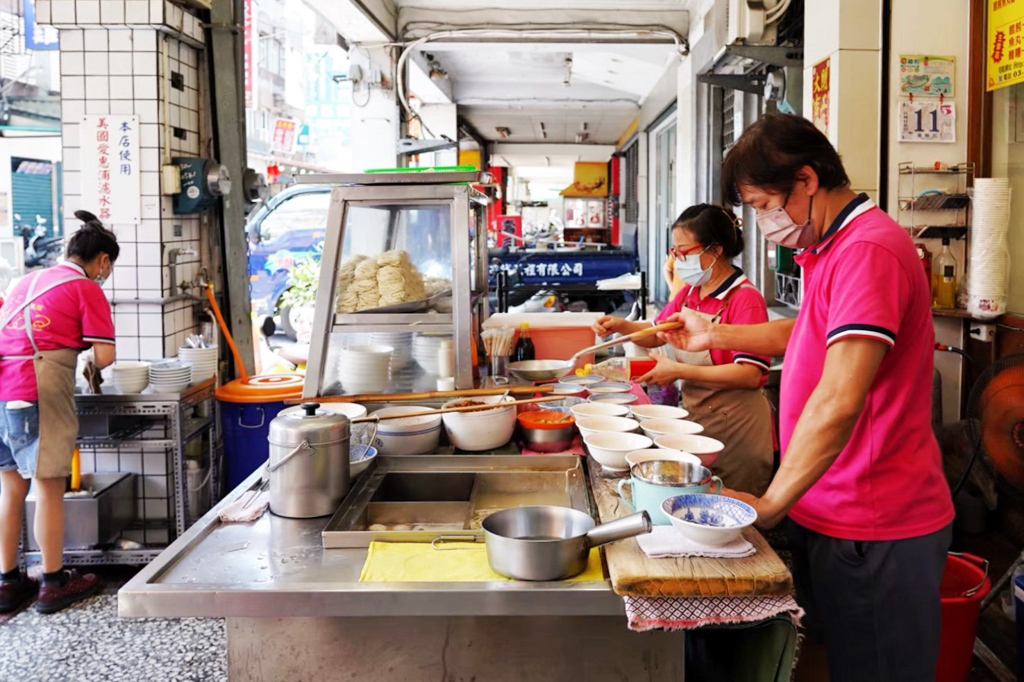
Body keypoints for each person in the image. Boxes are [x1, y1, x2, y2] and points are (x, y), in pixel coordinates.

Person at [660, 114, 954, 682]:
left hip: (873, 517)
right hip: (826, 505)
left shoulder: (868, 250)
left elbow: (840, 398)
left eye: (768, 204)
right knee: (827, 657)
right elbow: (807, 334)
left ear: (807, 180)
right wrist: (715, 334)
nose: (767, 223)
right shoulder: (831, 248)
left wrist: (770, 502)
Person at [593, 204, 774, 495]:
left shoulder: (745, 300)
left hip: (738, 429)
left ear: (714, 250)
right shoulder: (691, 293)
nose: (677, 261)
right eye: (674, 253)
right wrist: (621, 327)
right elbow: (657, 333)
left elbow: (750, 375)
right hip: (698, 420)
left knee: (735, 511)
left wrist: (678, 371)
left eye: (683, 252)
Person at [0, 210, 118, 615]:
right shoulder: (86, 287)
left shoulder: (26, 279)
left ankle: (9, 582)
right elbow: (105, 355)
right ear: (102, 260)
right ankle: (52, 582)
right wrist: (89, 360)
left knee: (11, 487)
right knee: (49, 487)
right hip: (37, 388)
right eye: (108, 267)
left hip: (3, 390)